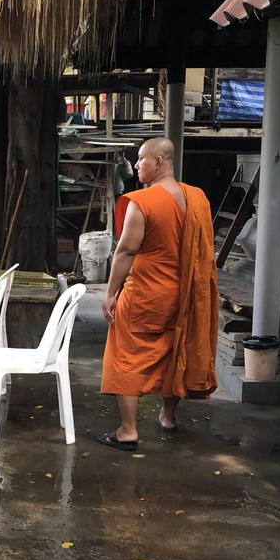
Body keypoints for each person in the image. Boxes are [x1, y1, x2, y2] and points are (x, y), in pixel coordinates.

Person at [99, 137, 218, 451]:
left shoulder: (142, 201)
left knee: (124, 356)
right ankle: (167, 415)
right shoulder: (199, 198)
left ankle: (127, 431)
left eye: (141, 159)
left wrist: (111, 293)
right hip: (185, 296)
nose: (137, 165)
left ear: (159, 162)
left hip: (146, 295)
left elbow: (124, 252)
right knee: (174, 350)